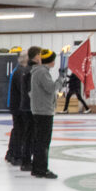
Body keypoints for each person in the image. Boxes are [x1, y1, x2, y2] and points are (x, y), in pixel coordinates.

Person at [29, 48, 59, 178]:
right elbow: (51, 88)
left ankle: (37, 167)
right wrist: (60, 79)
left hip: (39, 110)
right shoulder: (42, 72)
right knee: (43, 142)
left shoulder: (38, 71)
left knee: (39, 141)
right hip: (44, 111)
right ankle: (42, 169)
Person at [5, 52, 30, 165]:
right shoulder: (21, 72)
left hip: (16, 105)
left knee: (17, 130)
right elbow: (23, 89)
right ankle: (17, 155)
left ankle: (11, 153)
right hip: (19, 106)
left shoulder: (17, 70)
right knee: (20, 131)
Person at [18, 48, 38, 171]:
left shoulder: (25, 70)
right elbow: (31, 91)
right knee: (30, 134)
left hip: (25, 105)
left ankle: (26, 159)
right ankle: (26, 160)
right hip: (30, 106)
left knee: (28, 134)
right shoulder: (31, 71)